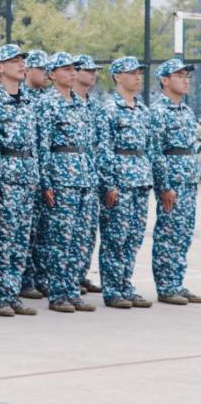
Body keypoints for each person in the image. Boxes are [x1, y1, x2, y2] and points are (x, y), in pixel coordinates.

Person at [37, 52, 97, 314]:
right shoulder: (46, 104)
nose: (72, 73)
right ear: (52, 74)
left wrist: (92, 177)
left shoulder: (80, 104)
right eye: (65, 69)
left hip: (84, 178)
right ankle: (58, 293)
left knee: (80, 239)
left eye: (74, 69)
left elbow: (89, 145)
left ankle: (72, 290)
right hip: (61, 178)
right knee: (60, 239)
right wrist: (46, 182)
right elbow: (42, 145)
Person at [0, 45, 39, 317]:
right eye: (14, 61)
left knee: (20, 240)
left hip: (26, 176)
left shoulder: (28, 101)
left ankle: (12, 293)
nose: (21, 64)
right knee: (2, 240)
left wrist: (35, 176)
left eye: (22, 60)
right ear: (0, 67)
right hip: (6, 176)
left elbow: (34, 143)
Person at [97, 56, 153, 310]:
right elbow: (103, 149)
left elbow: (149, 147)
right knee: (115, 238)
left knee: (133, 238)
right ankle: (112, 290)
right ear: (118, 77)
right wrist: (109, 184)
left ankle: (126, 286)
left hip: (140, 180)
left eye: (139, 73)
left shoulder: (143, 110)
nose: (138, 77)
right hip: (119, 182)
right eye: (132, 73)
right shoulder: (109, 109)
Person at [150, 59, 201, 305]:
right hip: (172, 182)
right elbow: (156, 151)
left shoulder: (186, 111)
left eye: (186, 76)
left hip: (188, 180)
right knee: (168, 234)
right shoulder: (158, 112)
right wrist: (165, 186)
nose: (185, 80)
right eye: (179, 76)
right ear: (165, 80)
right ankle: (166, 286)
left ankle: (177, 283)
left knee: (183, 234)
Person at [19, 48, 51, 300]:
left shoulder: (44, 100)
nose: (46, 73)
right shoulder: (21, 98)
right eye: (41, 68)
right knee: (24, 234)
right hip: (17, 174)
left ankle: (39, 277)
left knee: (38, 231)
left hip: (34, 173)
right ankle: (25, 280)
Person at [72, 54, 104, 295]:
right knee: (67, 234)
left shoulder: (95, 106)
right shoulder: (63, 103)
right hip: (69, 175)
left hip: (90, 175)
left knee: (87, 232)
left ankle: (80, 275)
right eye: (88, 70)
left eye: (95, 70)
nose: (93, 74)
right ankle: (66, 280)